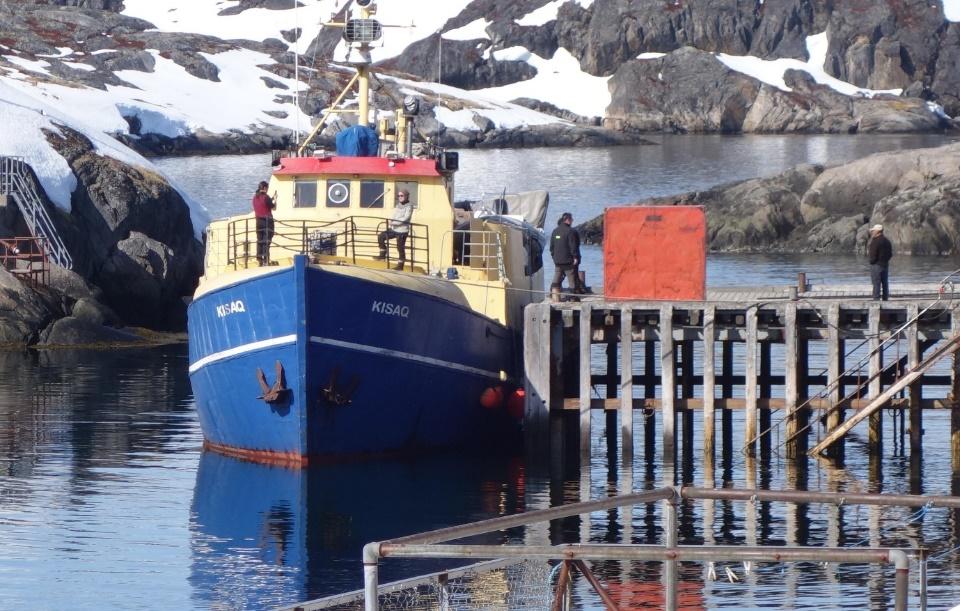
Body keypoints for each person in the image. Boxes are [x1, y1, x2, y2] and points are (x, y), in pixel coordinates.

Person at [376, 189, 413, 269]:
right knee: (381, 236)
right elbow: (394, 214)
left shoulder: (409, 206)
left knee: (400, 247)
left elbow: (406, 218)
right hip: (393, 229)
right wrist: (391, 221)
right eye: (398, 196)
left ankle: (400, 265)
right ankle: (383, 254)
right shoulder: (398, 205)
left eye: (401, 195)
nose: (400, 197)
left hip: (402, 231)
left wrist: (395, 223)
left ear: (406, 196)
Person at [549, 211, 583, 297]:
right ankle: (573, 297)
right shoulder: (570, 231)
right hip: (568, 261)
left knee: (556, 279)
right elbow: (573, 246)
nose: (572, 221)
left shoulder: (555, 231)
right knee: (571, 280)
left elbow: (551, 247)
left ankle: (553, 295)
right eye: (571, 219)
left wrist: (554, 257)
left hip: (558, 261)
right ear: (567, 220)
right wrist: (575, 257)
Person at [252, 180, 275, 265]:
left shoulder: (255, 197)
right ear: (265, 188)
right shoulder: (266, 197)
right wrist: (274, 201)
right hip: (267, 221)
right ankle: (266, 258)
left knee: (260, 240)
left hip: (258, 221)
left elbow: (260, 205)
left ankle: (259, 258)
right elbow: (273, 207)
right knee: (267, 240)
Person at [867, 223, 892, 300]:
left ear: (877, 231)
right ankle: (885, 299)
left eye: (873, 231)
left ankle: (876, 300)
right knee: (885, 283)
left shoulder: (875, 241)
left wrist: (872, 261)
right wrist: (885, 261)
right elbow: (890, 254)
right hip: (885, 265)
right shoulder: (887, 241)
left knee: (876, 283)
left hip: (876, 265)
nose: (872, 232)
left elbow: (873, 254)